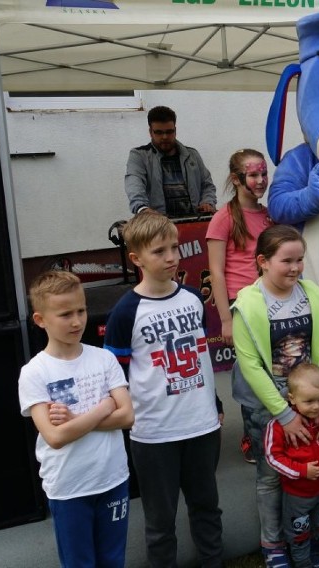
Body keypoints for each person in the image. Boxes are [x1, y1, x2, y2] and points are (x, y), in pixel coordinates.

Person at [103, 212, 224, 567]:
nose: (171, 257)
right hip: (154, 435)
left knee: (207, 508)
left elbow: (201, 356)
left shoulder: (191, 298)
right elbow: (116, 378)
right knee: (160, 522)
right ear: (136, 259)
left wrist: (214, 401)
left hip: (202, 426)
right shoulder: (125, 312)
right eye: (159, 251)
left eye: (174, 247)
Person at [231, 225, 319, 568]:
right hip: (268, 404)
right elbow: (249, 364)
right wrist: (284, 414)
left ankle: (310, 536)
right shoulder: (247, 305)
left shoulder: (314, 297)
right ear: (262, 261)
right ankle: (274, 544)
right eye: (286, 260)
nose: (295, 268)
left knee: (314, 466)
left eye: (300, 260)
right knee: (271, 475)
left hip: (311, 401)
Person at [19, 270, 134, 568]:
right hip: (69, 488)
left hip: (112, 479)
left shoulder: (104, 358)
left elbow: (127, 416)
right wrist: (103, 406)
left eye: (81, 310)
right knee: (79, 563)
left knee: (112, 559)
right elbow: (55, 437)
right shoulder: (35, 372)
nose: (77, 321)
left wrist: (75, 420)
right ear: (40, 320)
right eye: (65, 314)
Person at [206, 148, 273, 464]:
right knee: (250, 373)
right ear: (236, 179)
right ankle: (253, 437)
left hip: (271, 302)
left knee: (274, 370)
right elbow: (216, 272)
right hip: (241, 307)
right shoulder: (223, 219)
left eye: (263, 173)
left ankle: (274, 432)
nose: (261, 180)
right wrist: (225, 320)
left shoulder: (270, 214)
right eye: (253, 175)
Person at [266, 363, 319, 568]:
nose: (317, 406)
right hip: (296, 495)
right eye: (309, 401)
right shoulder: (279, 426)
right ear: (292, 398)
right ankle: (302, 563)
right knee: (298, 533)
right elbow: (273, 457)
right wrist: (302, 471)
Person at [125, 105, 217, 217]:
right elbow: (134, 184)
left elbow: (207, 185)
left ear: (175, 130)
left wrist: (207, 202)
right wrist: (142, 208)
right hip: (159, 227)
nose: (164, 137)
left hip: (194, 223)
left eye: (169, 132)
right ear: (150, 132)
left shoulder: (192, 155)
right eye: (158, 132)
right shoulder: (139, 156)